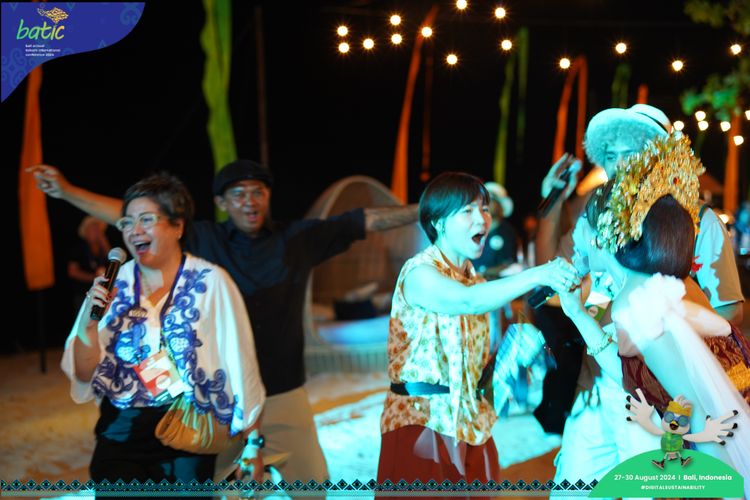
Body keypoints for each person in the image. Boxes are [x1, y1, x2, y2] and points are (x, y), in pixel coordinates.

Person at [33, 159, 418, 483]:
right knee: (214, 486)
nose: (249, 201)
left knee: (312, 484)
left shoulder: (297, 238)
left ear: (268, 197)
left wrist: (426, 210)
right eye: (238, 193)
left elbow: (362, 221)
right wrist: (67, 191)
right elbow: (135, 216)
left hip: (282, 391)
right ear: (221, 202)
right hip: (215, 402)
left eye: (257, 191)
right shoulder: (204, 239)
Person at [554, 133, 750, 493]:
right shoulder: (654, 288)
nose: (576, 238)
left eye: (582, 224)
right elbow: (636, 376)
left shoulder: (642, 304)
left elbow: (699, 411)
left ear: (602, 236)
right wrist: (577, 313)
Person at [533, 104, 744, 434]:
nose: (619, 165)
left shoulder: (698, 222)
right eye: (610, 155)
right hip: (598, 382)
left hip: (662, 392)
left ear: (660, 156)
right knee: (574, 470)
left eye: (631, 153)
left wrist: (661, 342)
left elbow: (728, 312)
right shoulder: (599, 219)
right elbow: (551, 271)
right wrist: (554, 199)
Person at [60, 173, 266, 485]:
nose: (134, 230)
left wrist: (253, 443)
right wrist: (88, 323)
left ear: (177, 226)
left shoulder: (211, 282)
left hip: (188, 431)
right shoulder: (113, 285)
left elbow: (241, 362)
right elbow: (85, 374)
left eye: (146, 219)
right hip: (120, 432)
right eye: (127, 222)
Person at [377, 172, 580, 483]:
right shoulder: (419, 273)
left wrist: (508, 363)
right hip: (420, 423)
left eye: (484, 209)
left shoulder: (477, 280)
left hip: (472, 425)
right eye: (467, 211)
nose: (481, 218)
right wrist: (537, 274)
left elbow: (475, 369)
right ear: (438, 222)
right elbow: (468, 301)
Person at [68, 216, 111, 311]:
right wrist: (94, 278)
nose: (97, 232)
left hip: (102, 294)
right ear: (86, 232)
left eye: (98, 229)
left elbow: (112, 261)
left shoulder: (102, 249)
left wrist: (104, 244)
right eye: (93, 229)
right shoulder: (78, 248)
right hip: (83, 294)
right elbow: (73, 272)